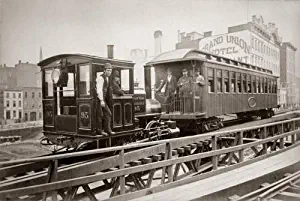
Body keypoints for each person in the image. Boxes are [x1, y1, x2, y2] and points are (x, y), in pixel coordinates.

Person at [95, 63, 115, 136]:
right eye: (108, 70)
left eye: (110, 71)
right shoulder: (101, 78)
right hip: (99, 99)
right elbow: (99, 90)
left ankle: (107, 130)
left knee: (108, 114)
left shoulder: (107, 78)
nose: (109, 72)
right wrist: (101, 100)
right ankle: (100, 131)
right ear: (104, 70)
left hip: (102, 99)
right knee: (100, 115)